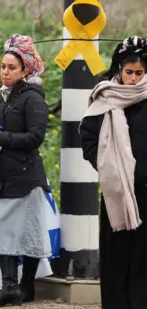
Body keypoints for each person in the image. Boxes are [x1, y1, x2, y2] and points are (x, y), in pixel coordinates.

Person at [0, 34, 51, 307]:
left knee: (28, 232)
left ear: (24, 71)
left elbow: (35, 137)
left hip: (26, 175)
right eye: (3, 66)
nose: (5, 72)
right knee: (0, 229)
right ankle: (9, 287)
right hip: (2, 174)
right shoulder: (0, 96)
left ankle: (26, 287)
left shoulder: (33, 98)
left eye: (11, 67)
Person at [80, 36, 147, 309]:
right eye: (128, 72)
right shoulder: (104, 98)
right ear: (119, 68)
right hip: (116, 196)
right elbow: (88, 140)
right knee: (116, 257)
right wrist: (112, 170)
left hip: (146, 194)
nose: (133, 78)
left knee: (143, 260)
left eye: (139, 73)